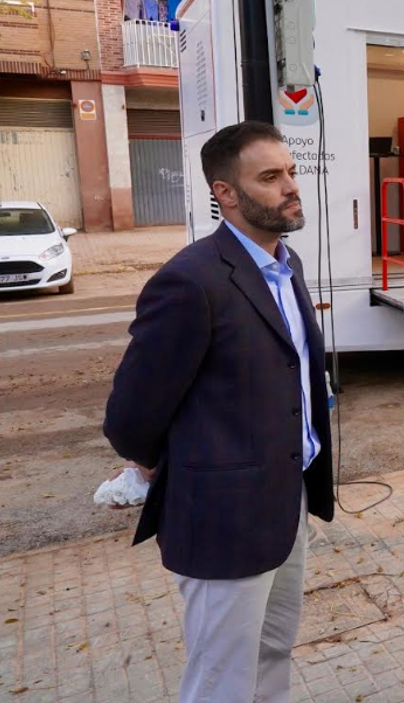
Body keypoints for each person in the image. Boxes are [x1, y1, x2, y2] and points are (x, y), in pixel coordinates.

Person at [102, 121, 334, 703]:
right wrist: (165, 461)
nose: (290, 187)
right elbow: (130, 415)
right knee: (221, 680)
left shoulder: (288, 264)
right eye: (270, 177)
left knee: (273, 653)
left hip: (287, 500)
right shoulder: (191, 281)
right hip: (223, 520)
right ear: (225, 192)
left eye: (291, 172)